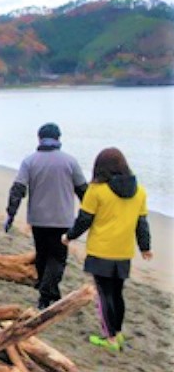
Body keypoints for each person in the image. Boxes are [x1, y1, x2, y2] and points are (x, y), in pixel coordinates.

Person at [62, 148, 152, 352]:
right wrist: (145, 247)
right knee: (117, 293)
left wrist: (69, 237)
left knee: (104, 295)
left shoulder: (97, 190)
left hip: (101, 251)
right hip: (123, 252)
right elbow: (142, 224)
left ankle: (110, 338)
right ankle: (117, 334)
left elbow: (85, 219)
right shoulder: (139, 191)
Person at [4, 123, 88, 309]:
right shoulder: (70, 161)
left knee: (42, 256)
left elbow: (18, 189)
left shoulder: (30, 161)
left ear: (39, 138)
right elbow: (84, 191)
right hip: (62, 220)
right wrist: (91, 213)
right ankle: (46, 293)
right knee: (57, 258)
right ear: (58, 138)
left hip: (38, 218)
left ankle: (49, 294)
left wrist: (11, 214)